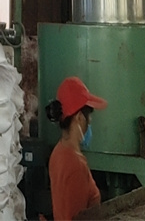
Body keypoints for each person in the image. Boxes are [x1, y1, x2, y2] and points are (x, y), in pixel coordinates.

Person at [45, 76, 107, 220]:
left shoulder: (58, 152)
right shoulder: (75, 165)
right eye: (88, 117)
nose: (90, 122)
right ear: (79, 117)